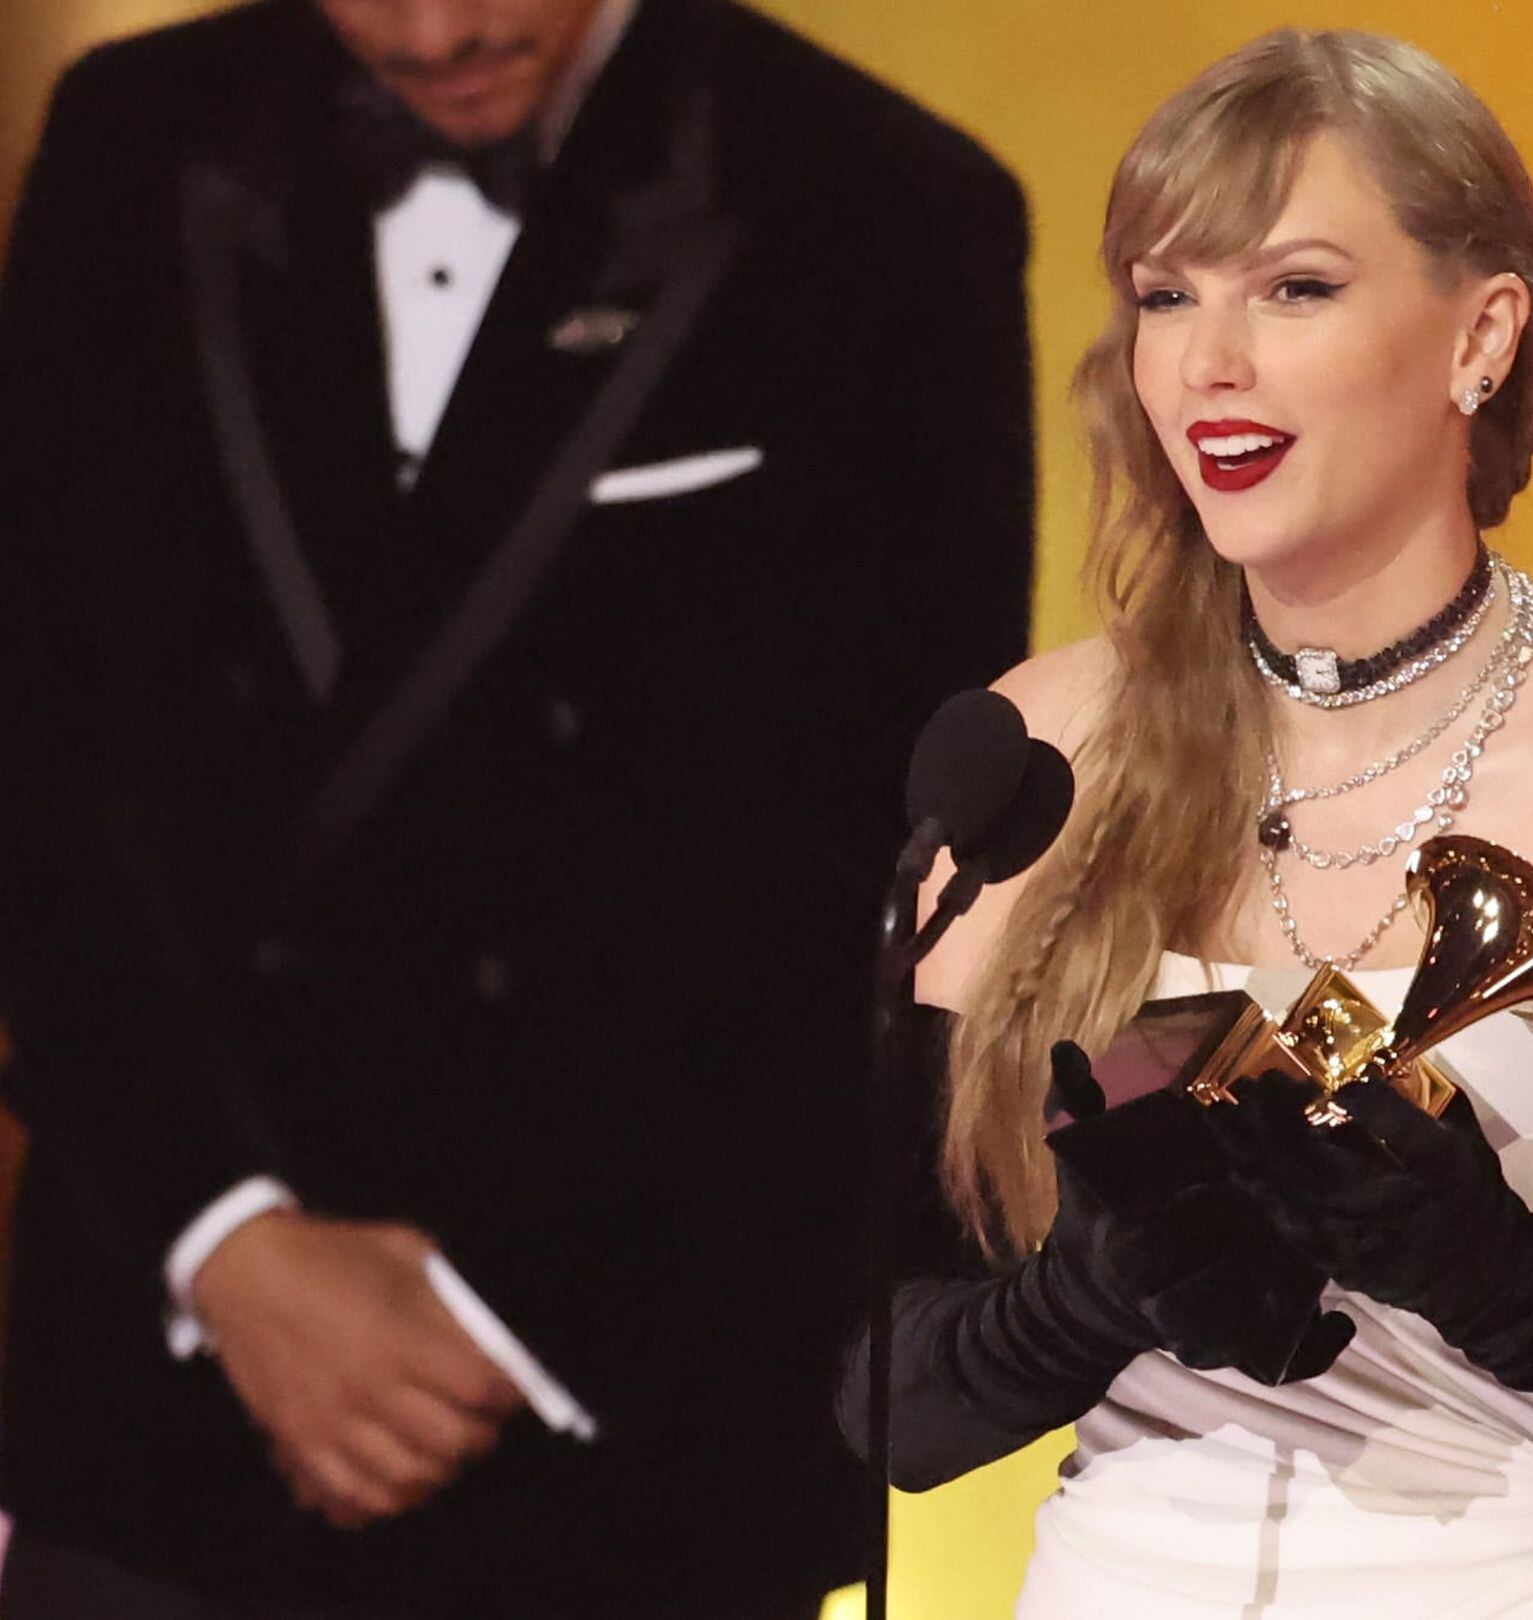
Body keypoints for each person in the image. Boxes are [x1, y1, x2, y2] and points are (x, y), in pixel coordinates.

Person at [840, 28, 1533, 1618]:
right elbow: (883, 1402)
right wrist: (1084, 1304)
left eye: (1292, 289)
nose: (1208, 361)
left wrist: (1506, 1280)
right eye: (1164, 295)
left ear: (1480, 336)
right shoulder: (1041, 756)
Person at [0, 0, 1033, 1611]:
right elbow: (39, 747)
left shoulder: (884, 203)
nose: (432, 32)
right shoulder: (133, 138)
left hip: (629, 1426)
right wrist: (226, 1242)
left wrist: (502, 1322)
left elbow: (885, 866)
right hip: (158, 1402)